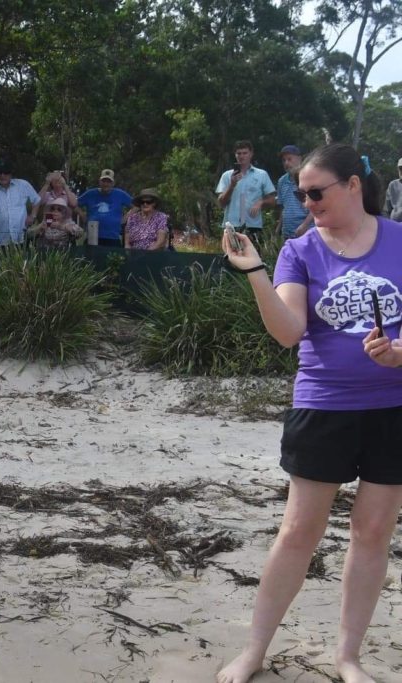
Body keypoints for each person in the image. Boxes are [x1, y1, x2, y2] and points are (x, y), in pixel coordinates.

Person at [217, 143, 402, 683]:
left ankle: (348, 657)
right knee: (299, 530)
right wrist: (254, 270)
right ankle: (254, 650)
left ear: (352, 186)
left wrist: (398, 353)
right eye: (301, 193)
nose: (306, 201)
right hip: (323, 406)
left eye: (315, 192)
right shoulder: (300, 250)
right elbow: (288, 333)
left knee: (372, 532)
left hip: (393, 408)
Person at [215, 140, 276, 245]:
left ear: (251, 154)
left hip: (253, 225)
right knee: (231, 258)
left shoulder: (261, 175)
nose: (241, 156)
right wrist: (232, 185)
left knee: (253, 260)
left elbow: (273, 201)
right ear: (235, 155)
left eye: (245, 153)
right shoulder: (227, 176)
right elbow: (221, 203)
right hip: (231, 225)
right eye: (239, 153)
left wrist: (260, 202)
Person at [0, 160, 40, 246]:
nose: (3, 175)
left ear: (11, 173)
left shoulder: (23, 185)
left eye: (6, 172)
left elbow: (36, 200)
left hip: (22, 238)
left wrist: (33, 216)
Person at [77, 169, 133, 247]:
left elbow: (136, 206)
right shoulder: (90, 193)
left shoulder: (120, 194)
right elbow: (74, 204)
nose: (106, 184)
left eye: (109, 181)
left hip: (113, 237)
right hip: (93, 235)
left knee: (113, 258)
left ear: (113, 183)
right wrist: (82, 215)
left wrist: (126, 217)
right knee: (90, 258)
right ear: (99, 182)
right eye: (104, 181)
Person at [275, 145, 313, 239]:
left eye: (289, 159)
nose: (286, 163)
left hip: (307, 232)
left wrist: (304, 225)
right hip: (287, 233)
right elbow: (283, 208)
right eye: (284, 160)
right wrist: (277, 230)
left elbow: (316, 206)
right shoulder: (282, 181)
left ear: (299, 159)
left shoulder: (309, 179)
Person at [383, 156, 402, 222]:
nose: (401, 171)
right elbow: (387, 209)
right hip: (394, 223)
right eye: (400, 168)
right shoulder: (393, 185)